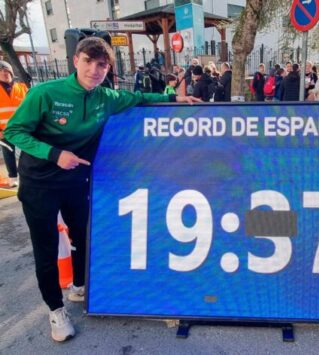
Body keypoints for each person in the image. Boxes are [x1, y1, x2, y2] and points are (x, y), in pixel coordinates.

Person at [3, 37, 199, 343]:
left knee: (82, 235)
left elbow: (139, 99)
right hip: (39, 183)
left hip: (75, 181)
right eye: (89, 62)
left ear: (108, 68)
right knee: (45, 248)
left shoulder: (107, 97)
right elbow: (14, 131)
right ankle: (56, 310)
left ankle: (79, 285)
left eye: (102, 65)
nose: (95, 70)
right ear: (76, 61)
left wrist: (176, 100)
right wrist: (55, 154)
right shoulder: (45, 93)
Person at [0, 60, 28, 188]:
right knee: (8, 154)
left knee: (27, 153)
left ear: (11, 72)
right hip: (4, 130)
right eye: (0, 71)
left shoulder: (22, 87)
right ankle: (13, 177)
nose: (4, 73)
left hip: (23, 129)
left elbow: (30, 107)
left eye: (6, 70)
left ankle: (27, 175)